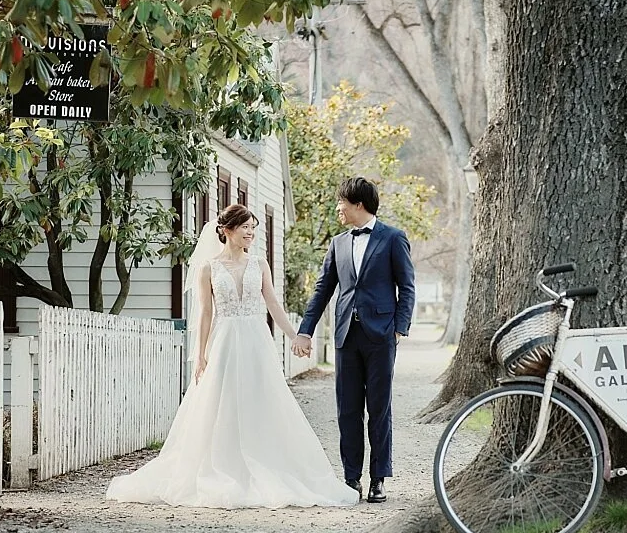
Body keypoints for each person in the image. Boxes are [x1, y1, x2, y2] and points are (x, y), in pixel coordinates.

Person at [106, 205, 360, 509]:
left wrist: (296, 336)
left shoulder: (260, 264)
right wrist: (199, 355)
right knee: (221, 404)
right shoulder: (208, 268)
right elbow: (205, 314)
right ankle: (223, 465)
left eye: (253, 228)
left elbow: (274, 305)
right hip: (225, 342)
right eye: (245, 228)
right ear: (227, 230)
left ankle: (266, 462)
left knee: (261, 401)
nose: (251, 233)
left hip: (256, 343)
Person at [296, 178, 416, 504]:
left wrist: (399, 328)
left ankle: (379, 478)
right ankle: (351, 478)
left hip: (381, 336)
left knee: (379, 409)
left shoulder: (392, 238)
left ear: (358, 205)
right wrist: (305, 330)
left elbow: (407, 286)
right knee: (347, 410)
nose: (338, 208)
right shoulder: (337, 243)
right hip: (346, 335)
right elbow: (323, 289)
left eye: (342, 203)